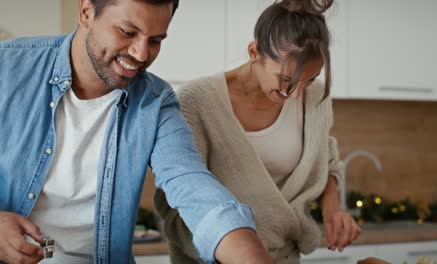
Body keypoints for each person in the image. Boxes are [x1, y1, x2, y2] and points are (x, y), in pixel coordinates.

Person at [0, 0, 273, 263]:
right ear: (86, 11)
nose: (141, 54)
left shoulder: (156, 102)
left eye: (155, 40)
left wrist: (250, 255)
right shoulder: (8, 67)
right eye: (127, 32)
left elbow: (192, 185)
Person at [154, 0, 361, 263]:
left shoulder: (315, 97)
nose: (297, 93)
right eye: (286, 80)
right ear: (254, 52)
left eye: (309, 79)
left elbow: (326, 163)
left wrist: (333, 211)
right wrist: (239, 247)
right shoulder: (198, 102)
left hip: (285, 256)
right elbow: (177, 201)